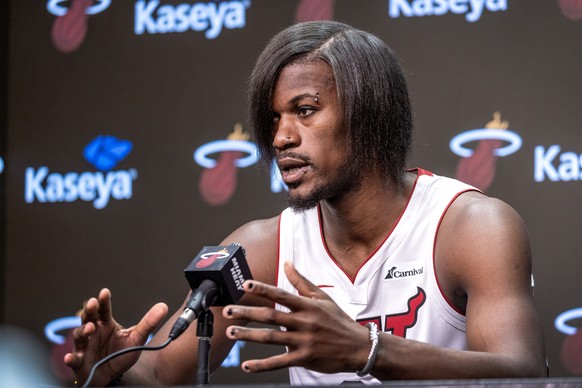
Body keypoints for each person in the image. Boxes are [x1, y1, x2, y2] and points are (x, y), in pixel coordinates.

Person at [64, 20, 547, 386]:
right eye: (273, 119)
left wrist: (369, 350)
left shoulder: (470, 226)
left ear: (368, 114)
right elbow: (158, 373)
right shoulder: (264, 246)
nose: (280, 137)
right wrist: (113, 369)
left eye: (305, 111)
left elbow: (524, 374)